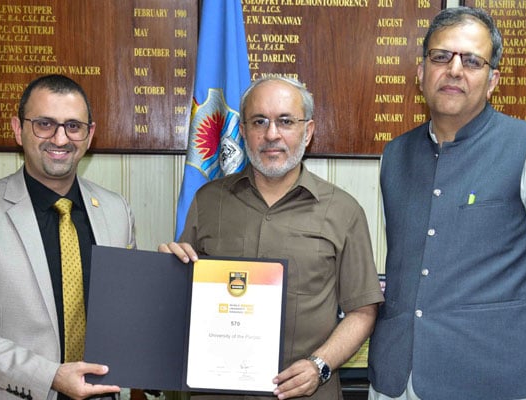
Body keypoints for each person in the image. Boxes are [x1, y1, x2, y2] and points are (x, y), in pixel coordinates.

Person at [367, 7, 526, 400]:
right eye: (441, 56)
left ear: (492, 81)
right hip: (398, 382)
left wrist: (516, 347)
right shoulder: (394, 155)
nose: (454, 70)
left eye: (472, 60)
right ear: (420, 73)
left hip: (498, 383)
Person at [159, 76, 384, 400]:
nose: (271, 134)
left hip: (306, 394)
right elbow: (181, 299)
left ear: (307, 132)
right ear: (244, 131)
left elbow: (362, 311)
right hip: (217, 392)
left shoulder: (343, 211)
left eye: (285, 121)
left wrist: (319, 365)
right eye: (259, 121)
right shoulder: (209, 201)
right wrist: (169, 268)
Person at [0, 74, 136, 400]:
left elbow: (126, 312)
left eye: (73, 126)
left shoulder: (116, 209)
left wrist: (174, 275)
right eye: (45, 124)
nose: (61, 139)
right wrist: (50, 376)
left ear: (89, 134)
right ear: (17, 128)